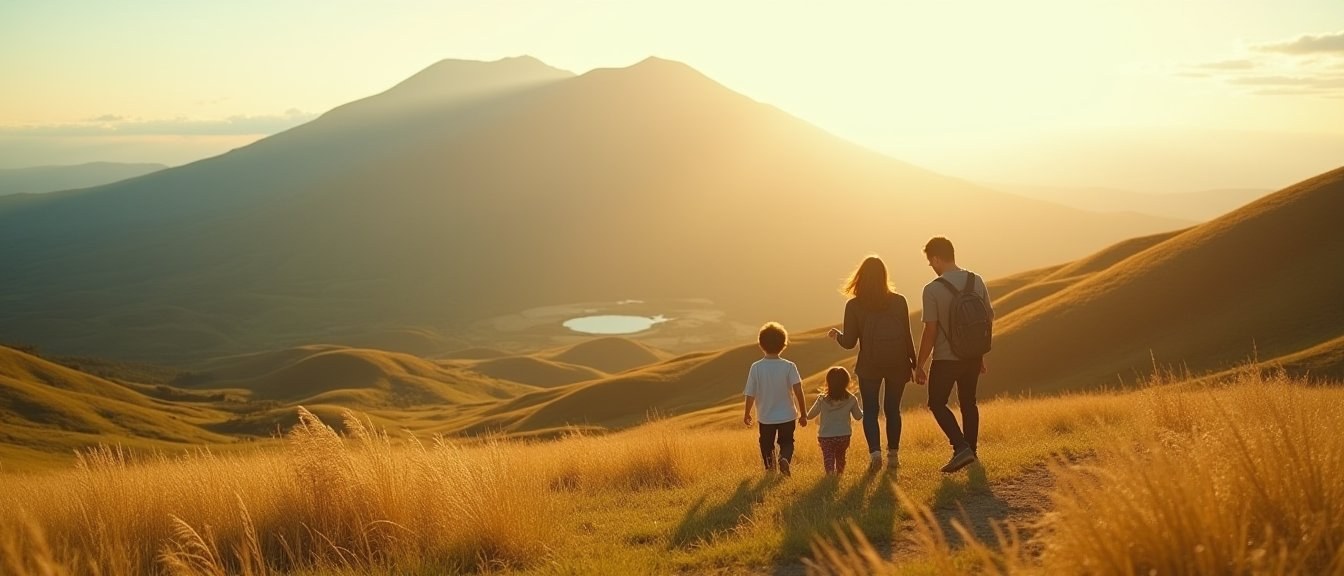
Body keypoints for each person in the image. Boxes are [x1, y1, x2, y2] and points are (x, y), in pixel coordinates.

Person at [827, 256, 917, 469]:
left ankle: (875, 454)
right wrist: (914, 364)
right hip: (898, 363)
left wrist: (837, 335)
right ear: (884, 277)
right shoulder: (899, 301)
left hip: (869, 365)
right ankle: (893, 455)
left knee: (870, 410)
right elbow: (907, 334)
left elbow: (849, 343)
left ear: (860, 277)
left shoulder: (855, 305)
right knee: (893, 409)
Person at [914, 237, 994, 474]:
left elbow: (930, 330)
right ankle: (972, 452)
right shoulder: (975, 280)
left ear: (937, 258)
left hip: (946, 359)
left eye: (931, 262)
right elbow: (987, 318)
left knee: (937, 403)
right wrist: (979, 353)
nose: (932, 267)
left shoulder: (932, 289)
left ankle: (960, 447)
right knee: (969, 402)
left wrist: (920, 365)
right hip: (971, 356)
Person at [743, 322, 808, 476]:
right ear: (783, 344)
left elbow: (750, 393)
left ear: (761, 344)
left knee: (766, 444)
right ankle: (784, 458)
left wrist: (747, 413)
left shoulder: (756, 367)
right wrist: (803, 413)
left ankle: (770, 469)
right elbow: (798, 390)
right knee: (787, 442)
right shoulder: (789, 366)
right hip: (787, 415)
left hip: (766, 417)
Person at [807, 366, 864, 475]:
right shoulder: (852, 399)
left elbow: (810, 415)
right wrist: (867, 412)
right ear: (846, 382)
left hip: (826, 436)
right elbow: (858, 416)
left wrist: (802, 416)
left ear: (828, 381)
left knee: (828, 458)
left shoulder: (821, 399)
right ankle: (839, 474)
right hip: (844, 436)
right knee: (840, 456)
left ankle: (830, 475)